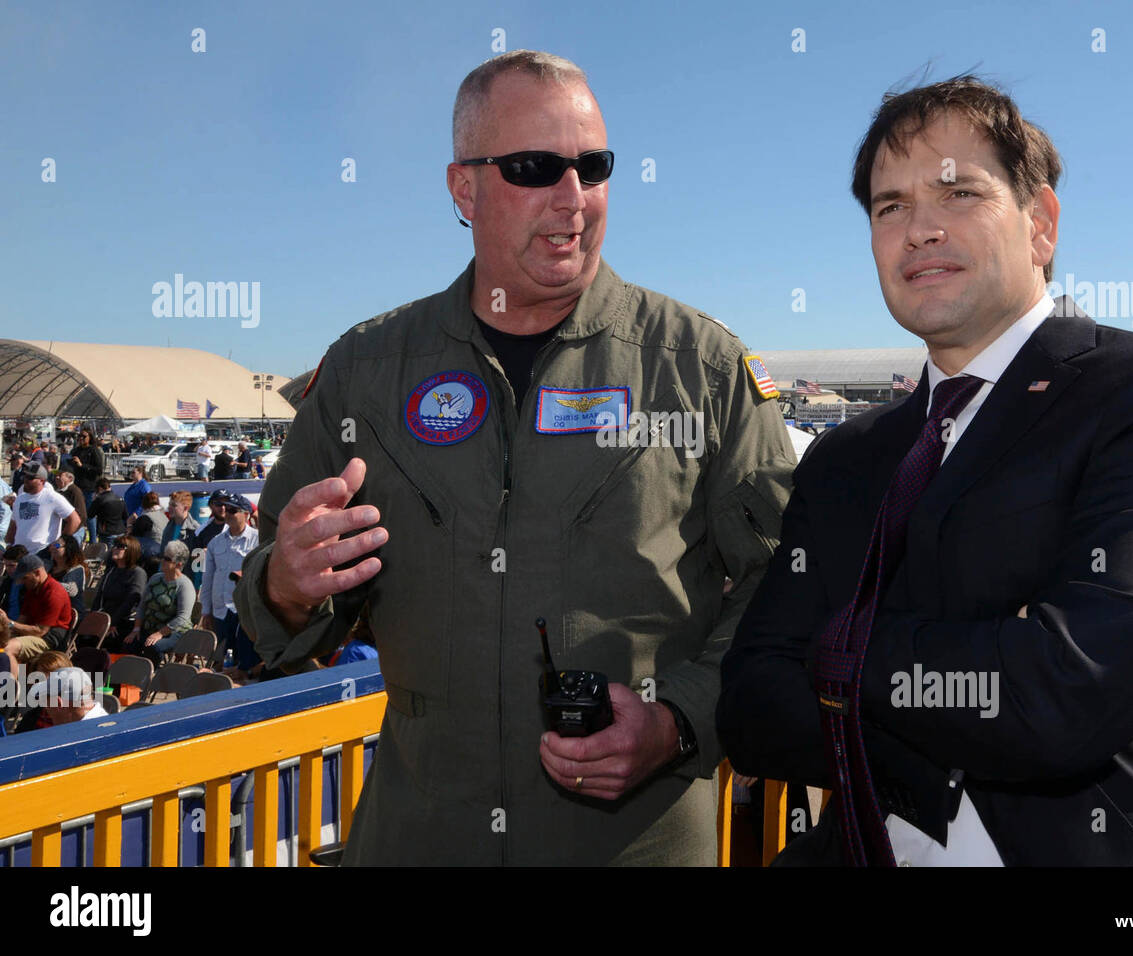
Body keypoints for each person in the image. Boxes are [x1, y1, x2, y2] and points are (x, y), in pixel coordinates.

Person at [234, 50, 793, 866]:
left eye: (593, 167)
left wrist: (677, 720)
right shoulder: (365, 373)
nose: (573, 199)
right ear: (464, 189)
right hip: (420, 838)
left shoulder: (700, 371)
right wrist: (285, 587)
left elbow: (791, 591)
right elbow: (273, 610)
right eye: (535, 168)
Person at [717, 75, 1133, 867]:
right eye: (890, 206)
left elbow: (1062, 695)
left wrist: (836, 649)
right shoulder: (846, 457)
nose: (919, 231)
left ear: (1040, 224)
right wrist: (962, 692)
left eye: (958, 194)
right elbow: (753, 707)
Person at [199, 493, 258, 678]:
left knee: (244, 662)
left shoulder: (257, 540)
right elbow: (207, 579)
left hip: (245, 612)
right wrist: (205, 611)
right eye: (226, 509)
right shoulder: (215, 542)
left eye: (233, 510)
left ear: (246, 514)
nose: (227, 513)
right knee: (224, 660)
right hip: (220, 611)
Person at [123, 540, 196, 666]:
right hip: (150, 627)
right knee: (127, 642)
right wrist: (136, 629)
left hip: (174, 632)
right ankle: (126, 681)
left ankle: (150, 679)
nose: (162, 560)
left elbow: (182, 618)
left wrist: (160, 633)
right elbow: (142, 605)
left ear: (178, 564)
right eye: (163, 557)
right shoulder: (155, 578)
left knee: (153, 647)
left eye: (167, 559)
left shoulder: (185, 585)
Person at [0, 554, 74, 674]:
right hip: (33, 633)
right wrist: (4, 627)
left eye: (25, 578)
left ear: (37, 573)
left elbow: (40, 631)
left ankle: (11, 689)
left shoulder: (54, 593)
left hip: (48, 638)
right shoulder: (33, 589)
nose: (22, 582)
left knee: (8, 648)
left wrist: (9, 623)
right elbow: (22, 620)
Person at [5, 462, 80, 556]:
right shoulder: (20, 498)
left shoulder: (52, 497)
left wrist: (58, 544)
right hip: (19, 553)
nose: (26, 480)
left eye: (31, 478)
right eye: (25, 476)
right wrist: (8, 545)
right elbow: (13, 525)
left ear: (42, 481)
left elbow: (75, 520)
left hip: (42, 553)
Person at [94, 536, 148, 651]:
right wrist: (94, 618)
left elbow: (130, 602)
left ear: (131, 551)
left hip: (124, 622)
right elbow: (99, 597)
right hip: (105, 619)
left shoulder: (137, 573)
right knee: (84, 636)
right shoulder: (111, 571)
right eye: (115, 546)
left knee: (109, 641)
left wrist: (112, 623)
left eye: (120, 547)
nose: (115, 549)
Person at [50, 533, 87, 617]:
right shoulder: (49, 567)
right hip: (52, 610)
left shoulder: (77, 569)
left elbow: (72, 590)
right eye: (51, 545)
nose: (52, 548)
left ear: (68, 548)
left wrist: (48, 583)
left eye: (56, 545)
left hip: (69, 613)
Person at [68, 429, 104, 505]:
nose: (81, 438)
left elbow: (99, 470)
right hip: (76, 486)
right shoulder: (75, 450)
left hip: (89, 488)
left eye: (84, 436)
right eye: (79, 436)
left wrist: (82, 465)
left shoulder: (94, 450)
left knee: (89, 514)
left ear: (90, 437)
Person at [51, 470, 88, 545]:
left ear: (70, 478)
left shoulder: (75, 491)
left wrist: (68, 534)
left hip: (73, 533)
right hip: (61, 533)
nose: (57, 477)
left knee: (69, 554)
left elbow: (82, 515)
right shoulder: (57, 492)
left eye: (60, 475)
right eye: (56, 475)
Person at [87, 477, 127, 544]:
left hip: (107, 533)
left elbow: (90, 514)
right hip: (120, 532)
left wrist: (94, 501)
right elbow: (125, 516)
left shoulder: (99, 500)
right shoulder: (120, 498)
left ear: (99, 488)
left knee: (107, 553)